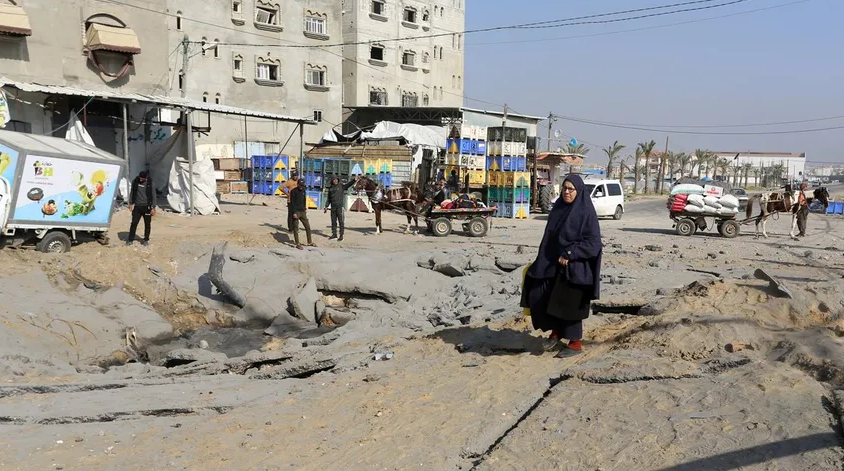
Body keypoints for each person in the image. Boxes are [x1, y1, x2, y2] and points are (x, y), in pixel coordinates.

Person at [521, 175, 602, 358]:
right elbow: (550, 238)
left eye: (571, 189)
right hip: (551, 262)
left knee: (567, 304)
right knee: (542, 294)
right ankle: (555, 333)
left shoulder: (585, 212)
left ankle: (575, 343)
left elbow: (593, 243)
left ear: (578, 191)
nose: (566, 192)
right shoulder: (558, 208)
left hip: (575, 268)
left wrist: (571, 253)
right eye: (565, 188)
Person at [127, 171, 157, 246]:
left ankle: (146, 239)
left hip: (147, 207)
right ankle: (130, 239)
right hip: (137, 206)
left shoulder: (151, 183)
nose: (140, 179)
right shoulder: (135, 181)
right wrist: (131, 203)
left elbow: (153, 195)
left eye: (142, 178)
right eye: (140, 178)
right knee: (134, 223)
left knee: (147, 224)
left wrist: (153, 207)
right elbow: (132, 192)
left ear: (146, 178)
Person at [324, 176, 358, 241]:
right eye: (334, 180)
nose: (335, 181)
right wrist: (326, 206)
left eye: (336, 179)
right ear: (332, 181)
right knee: (333, 222)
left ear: (338, 180)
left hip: (340, 208)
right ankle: (334, 234)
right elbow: (328, 199)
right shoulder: (330, 188)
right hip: (333, 208)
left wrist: (354, 180)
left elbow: (348, 185)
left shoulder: (341, 186)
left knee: (341, 222)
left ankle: (341, 236)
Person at [289, 179, 315, 249]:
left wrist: (304, 209)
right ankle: (297, 243)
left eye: (302, 185)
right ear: (297, 184)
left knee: (308, 227)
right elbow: (292, 203)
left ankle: (309, 242)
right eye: (300, 185)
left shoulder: (303, 190)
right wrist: (294, 212)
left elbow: (304, 200)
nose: (301, 187)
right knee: (296, 228)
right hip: (296, 212)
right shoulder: (293, 191)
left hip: (303, 212)